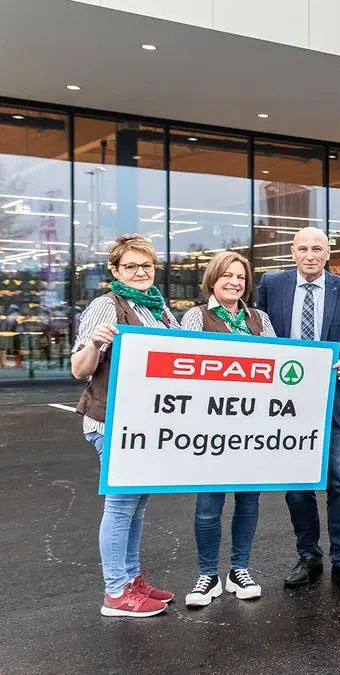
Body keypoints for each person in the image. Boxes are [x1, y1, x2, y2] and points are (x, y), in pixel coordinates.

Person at [72, 233, 179, 617]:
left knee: (137, 504)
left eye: (146, 266)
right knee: (120, 505)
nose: (139, 272)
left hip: (147, 423)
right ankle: (116, 592)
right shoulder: (106, 306)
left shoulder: (160, 310)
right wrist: (95, 344)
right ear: (115, 271)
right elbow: (78, 369)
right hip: (111, 421)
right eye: (130, 266)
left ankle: (132, 579)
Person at [257, 226, 340, 589]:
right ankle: (308, 555)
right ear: (292, 251)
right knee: (297, 486)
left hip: (334, 400)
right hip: (287, 405)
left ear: (327, 253)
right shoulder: (271, 286)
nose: (309, 255)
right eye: (303, 248)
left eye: (317, 249)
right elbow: (257, 334)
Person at [180, 251, 276, 607]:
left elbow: (279, 364)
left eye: (241, 277)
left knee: (248, 501)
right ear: (212, 279)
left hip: (251, 426)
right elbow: (183, 365)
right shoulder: (196, 316)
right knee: (208, 504)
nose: (235, 282)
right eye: (227, 276)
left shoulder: (260, 318)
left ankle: (239, 569)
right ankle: (207, 575)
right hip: (211, 427)